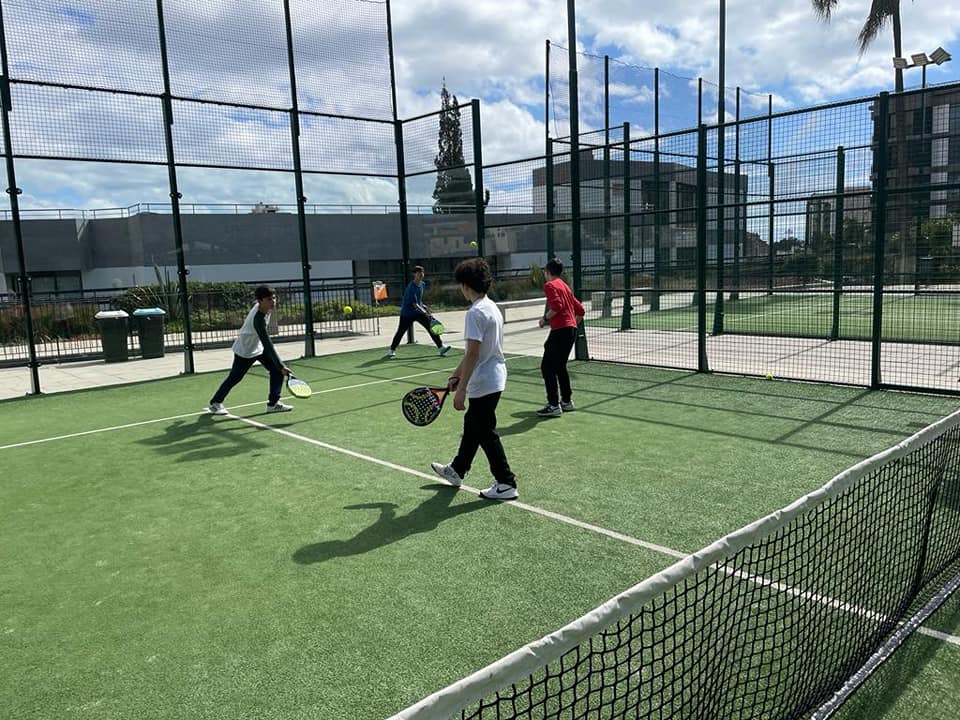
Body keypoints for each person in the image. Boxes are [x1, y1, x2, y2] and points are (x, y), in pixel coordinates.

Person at [430, 257, 518, 501]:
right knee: (473, 426)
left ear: (466, 286)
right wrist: (456, 376)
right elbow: (472, 353)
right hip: (494, 377)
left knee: (485, 432)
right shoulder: (491, 307)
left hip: (485, 381)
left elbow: (473, 354)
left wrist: (462, 389)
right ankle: (457, 470)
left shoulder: (475, 313)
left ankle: (506, 482)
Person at [208, 285, 293, 415]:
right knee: (235, 378)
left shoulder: (265, 308)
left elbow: (264, 344)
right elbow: (268, 344)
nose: (273, 302)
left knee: (276, 371)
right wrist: (281, 365)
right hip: (245, 350)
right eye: (269, 299)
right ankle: (215, 403)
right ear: (260, 301)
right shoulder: (258, 319)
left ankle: (273, 404)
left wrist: (279, 367)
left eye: (274, 298)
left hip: (258, 347)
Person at [536, 258, 585, 418]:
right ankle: (566, 401)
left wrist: (544, 319)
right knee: (560, 366)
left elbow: (557, 306)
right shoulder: (565, 286)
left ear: (547, 272)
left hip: (560, 331)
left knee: (547, 367)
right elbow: (580, 310)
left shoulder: (550, 285)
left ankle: (553, 404)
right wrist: (572, 324)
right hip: (571, 330)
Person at [388, 265, 451, 358]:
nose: (421, 274)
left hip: (417, 312)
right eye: (419, 273)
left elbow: (419, 301)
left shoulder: (422, 284)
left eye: (422, 272)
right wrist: (425, 313)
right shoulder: (411, 287)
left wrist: (425, 308)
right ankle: (392, 350)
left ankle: (441, 347)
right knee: (401, 332)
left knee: (431, 327)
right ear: (414, 274)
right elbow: (414, 304)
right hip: (407, 314)